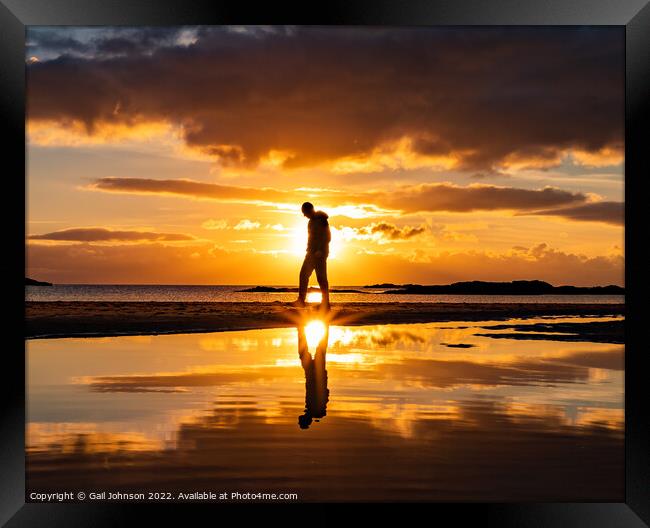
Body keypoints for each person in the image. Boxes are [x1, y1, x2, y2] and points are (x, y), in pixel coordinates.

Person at [290, 202, 331, 310]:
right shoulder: (310, 222)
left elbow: (327, 237)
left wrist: (320, 250)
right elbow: (311, 238)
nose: (304, 215)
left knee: (321, 278)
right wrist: (309, 249)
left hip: (320, 254)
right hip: (311, 253)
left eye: (304, 212)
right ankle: (301, 300)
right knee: (303, 274)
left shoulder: (322, 220)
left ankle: (326, 303)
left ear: (309, 210)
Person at [297, 323, 329, 429]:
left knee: (318, 350)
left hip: (313, 375)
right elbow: (324, 394)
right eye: (300, 420)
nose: (299, 418)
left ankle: (301, 327)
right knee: (319, 349)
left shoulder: (312, 409)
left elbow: (326, 394)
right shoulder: (316, 410)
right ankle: (324, 323)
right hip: (315, 375)